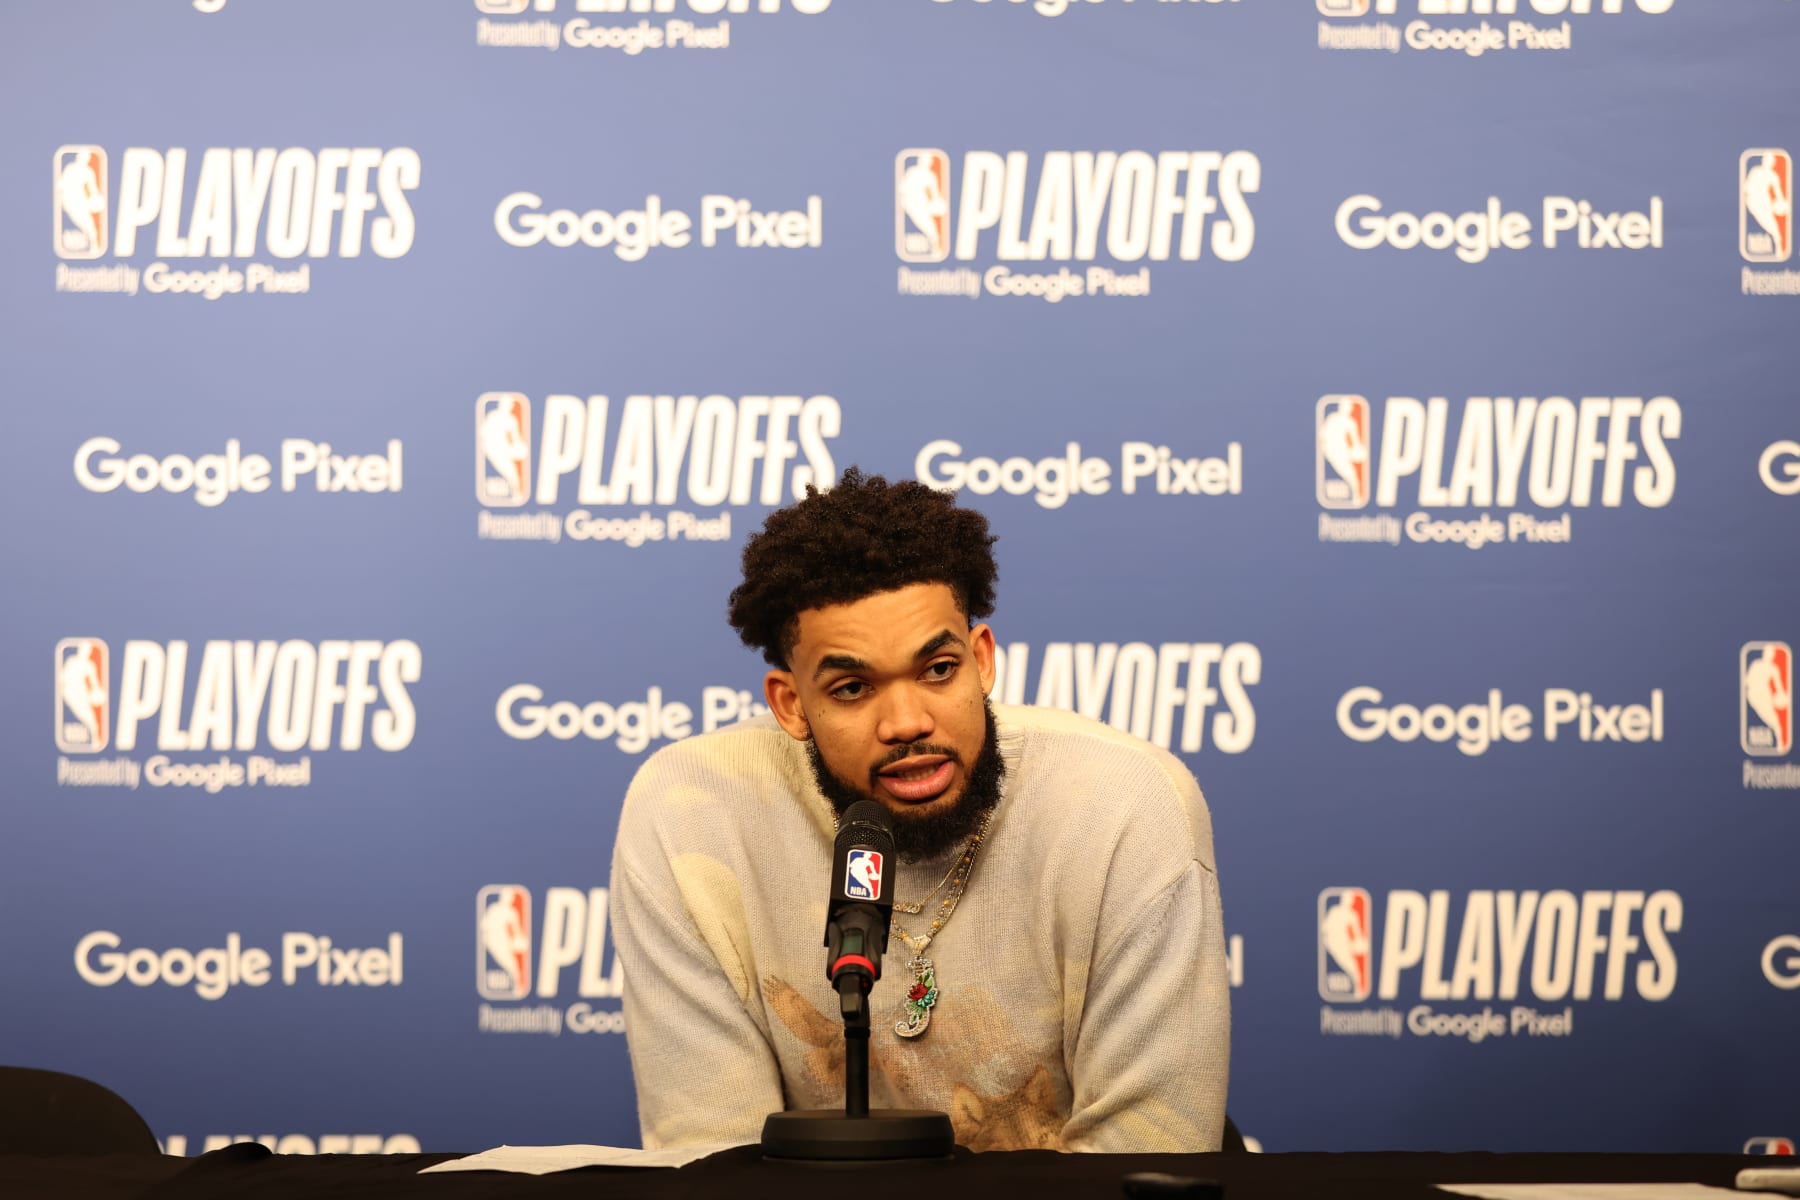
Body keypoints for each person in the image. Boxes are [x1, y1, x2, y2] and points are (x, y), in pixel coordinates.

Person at [609, 468, 1229, 1152]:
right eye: (852, 688)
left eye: (938, 670)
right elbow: (714, 1164)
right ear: (791, 704)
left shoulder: (1122, 802)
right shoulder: (690, 813)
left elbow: (1146, 1153)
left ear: (982, 661)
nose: (907, 722)